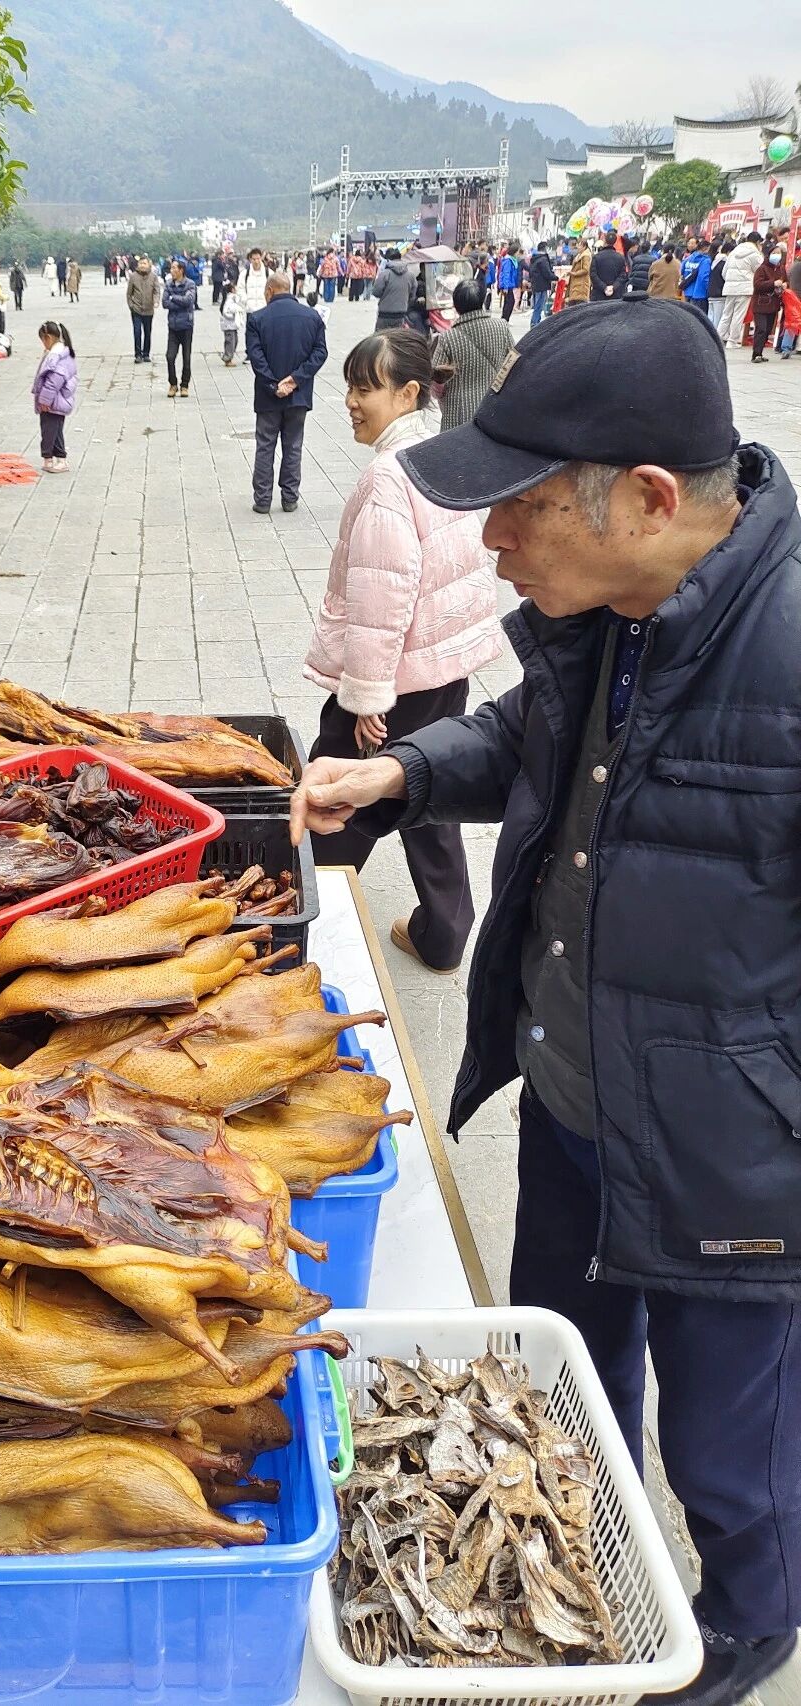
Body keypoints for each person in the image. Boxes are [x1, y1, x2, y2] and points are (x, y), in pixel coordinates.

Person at [290, 297, 801, 1706]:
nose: (490, 539)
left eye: (514, 509)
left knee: (729, 1443)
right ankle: (580, 1551)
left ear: (642, 500)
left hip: (732, 1165)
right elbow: (526, 735)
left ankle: (752, 1624)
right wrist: (400, 773)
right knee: (564, 1372)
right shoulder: (616, 610)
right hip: (578, 1100)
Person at [301, 326, 500, 969]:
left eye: (367, 388)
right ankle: (444, 932)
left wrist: (364, 701)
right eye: (349, 388)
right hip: (444, 666)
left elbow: (382, 602)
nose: (353, 402)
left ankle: (306, 927)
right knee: (429, 785)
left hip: (395, 675)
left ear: (409, 392)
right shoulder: (443, 456)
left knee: (337, 795)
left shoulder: (390, 477)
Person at [245, 270, 328, 515]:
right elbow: (320, 353)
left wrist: (274, 384)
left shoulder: (257, 319)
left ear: (269, 291)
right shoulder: (311, 317)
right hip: (299, 396)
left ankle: (262, 500)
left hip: (268, 396)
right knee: (293, 446)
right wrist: (295, 380)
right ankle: (289, 498)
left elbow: (256, 357)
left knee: (265, 446)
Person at [432, 277, 516, 431]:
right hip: (493, 408)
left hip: (457, 413)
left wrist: (440, 397)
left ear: (456, 307)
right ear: (482, 301)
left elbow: (437, 382)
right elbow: (514, 364)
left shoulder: (448, 338)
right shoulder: (501, 327)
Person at [32, 319, 77, 472]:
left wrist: (44, 400)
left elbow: (53, 382)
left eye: (42, 340)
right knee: (54, 430)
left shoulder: (56, 357)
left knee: (50, 431)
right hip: (57, 400)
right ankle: (51, 459)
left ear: (48, 338)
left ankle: (57, 459)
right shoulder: (61, 354)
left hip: (53, 402)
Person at [719, 230, 763, 347]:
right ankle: (732, 341)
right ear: (758, 242)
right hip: (744, 288)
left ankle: (719, 337)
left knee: (726, 314)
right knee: (738, 315)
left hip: (729, 287)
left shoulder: (734, 252)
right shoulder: (755, 254)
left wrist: (729, 281)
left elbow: (724, 272)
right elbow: (759, 272)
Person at [162, 260, 196, 397]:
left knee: (186, 357)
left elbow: (189, 301)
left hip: (186, 326)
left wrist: (173, 297)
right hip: (173, 326)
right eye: (171, 268)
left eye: (174, 268)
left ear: (181, 270)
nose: (171, 270)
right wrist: (179, 301)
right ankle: (173, 383)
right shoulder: (168, 284)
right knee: (170, 356)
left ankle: (184, 385)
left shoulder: (190, 284)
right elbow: (165, 303)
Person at [750, 241, 786, 362]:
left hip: (774, 304)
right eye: (774, 253)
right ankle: (756, 354)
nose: (777, 255)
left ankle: (760, 351)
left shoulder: (781, 269)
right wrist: (773, 283)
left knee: (768, 330)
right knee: (761, 329)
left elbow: (785, 281)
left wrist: (785, 285)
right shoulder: (762, 269)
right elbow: (757, 285)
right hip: (760, 303)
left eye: (779, 253)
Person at [126, 254, 161, 362]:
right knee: (137, 332)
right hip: (136, 309)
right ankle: (138, 354)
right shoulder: (133, 277)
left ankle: (146, 354)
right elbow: (129, 294)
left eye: (144, 263)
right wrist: (131, 306)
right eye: (141, 263)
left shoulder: (153, 276)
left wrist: (155, 301)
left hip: (149, 310)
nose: (142, 265)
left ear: (148, 265)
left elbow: (156, 291)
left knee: (147, 332)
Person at [371, 249, 414, 331]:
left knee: (381, 340)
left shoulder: (385, 274)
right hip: (401, 314)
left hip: (384, 314)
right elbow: (412, 295)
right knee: (397, 340)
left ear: (388, 259)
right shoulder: (410, 276)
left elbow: (376, 292)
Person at [705, 239, 731, 330]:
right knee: (718, 320)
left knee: (711, 318)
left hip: (711, 292)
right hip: (720, 293)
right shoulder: (724, 263)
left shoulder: (713, 261)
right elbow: (725, 277)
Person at [680, 239, 712, 313]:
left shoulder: (688, 259)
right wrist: (708, 290)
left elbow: (681, 272)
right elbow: (704, 277)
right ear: (705, 249)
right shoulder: (705, 260)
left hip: (687, 291)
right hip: (699, 293)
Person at [528, 241, 556, 326]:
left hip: (536, 284)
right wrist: (555, 277)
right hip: (542, 285)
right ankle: (535, 323)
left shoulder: (535, 258)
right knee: (539, 305)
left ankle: (535, 322)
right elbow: (546, 273)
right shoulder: (543, 259)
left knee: (537, 304)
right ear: (545, 248)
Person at [219, 282, 244, 366]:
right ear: (232, 290)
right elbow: (226, 312)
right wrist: (233, 315)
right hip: (228, 325)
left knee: (234, 341)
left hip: (231, 325)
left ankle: (229, 357)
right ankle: (227, 358)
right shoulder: (230, 299)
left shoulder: (231, 298)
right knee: (230, 342)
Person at [497, 242, 521, 320]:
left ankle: (505, 318)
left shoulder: (512, 260)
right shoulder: (508, 260)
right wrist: (505, 287)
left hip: (510, 284)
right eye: (518, 251)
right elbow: (506, 274)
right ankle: (505, 319)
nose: (518, 253)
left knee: (508, 302)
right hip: (507, 285)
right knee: (510, 302)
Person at [243, 247, 268, 319]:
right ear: (250, 259)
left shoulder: (268, 273)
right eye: (254, 259)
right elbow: (240, 289)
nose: (256, 261)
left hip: (264, 309)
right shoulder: (244, 274)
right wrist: (245, 302)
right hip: (250, 310)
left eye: (258, 259)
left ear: (261, 258)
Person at [566, 238, 591, 306]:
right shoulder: (579, 255)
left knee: (579, 305)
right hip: (576, 284)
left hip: (581, 285)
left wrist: (574, 273)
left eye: (579, 245)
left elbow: (586, 270)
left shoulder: (585, 256)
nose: (577, 247)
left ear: (584, 246)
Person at [779, 279, 800, 358]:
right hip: (797, 298)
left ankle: (786, 349)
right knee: (793, 324)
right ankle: (786, 348)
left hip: (793, 298)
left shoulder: (794, 267)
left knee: (792, 324)